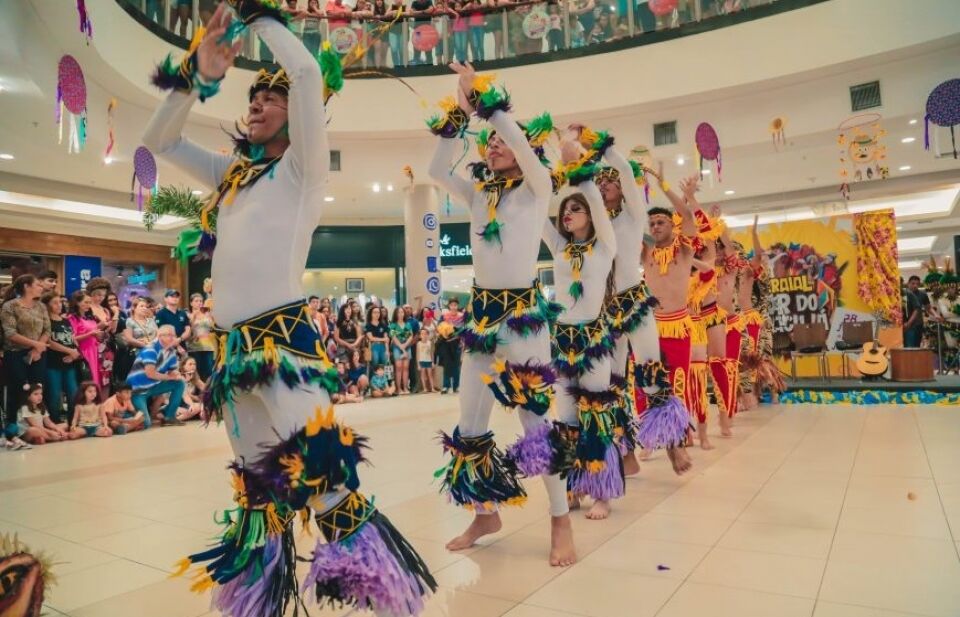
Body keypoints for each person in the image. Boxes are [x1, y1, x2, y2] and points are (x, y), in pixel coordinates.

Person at [143, 4, 433, 614]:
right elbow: (159, 140)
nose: (256, 104)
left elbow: (304, 74)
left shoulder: (301, 171)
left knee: (325, 483)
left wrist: (261, 21)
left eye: (267, 99)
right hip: (233, 356)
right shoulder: (230, 177)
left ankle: (395, 604)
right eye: (251, 97)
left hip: (288, 350)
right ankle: (258, 606)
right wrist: (199, 72)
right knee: (257, 496)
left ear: (296, 118)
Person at [428, 62, 576, 566]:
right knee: (470, 423)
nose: (491, 143)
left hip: (524, 320)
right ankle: (485, 511)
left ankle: (560, 519)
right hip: (480, 321)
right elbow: (435, 172)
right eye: (487, 140)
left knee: (535, 423)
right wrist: (459, 114)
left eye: (501, 139)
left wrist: (488, 102)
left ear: (526, 149)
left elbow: (512, 134)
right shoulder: (479, 193)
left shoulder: (538, 186)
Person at [576, 126, 688, 476]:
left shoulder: (633, 214)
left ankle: (674, 445)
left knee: (652, 373)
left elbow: (626, 170)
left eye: (611, 181)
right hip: (603, 310)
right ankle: (625, 454)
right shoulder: (594, 223)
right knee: (611, 385)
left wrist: (600, 147)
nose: (606, 184)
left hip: (633, 302)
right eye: (602, 181)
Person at [542, 138, 622, 520]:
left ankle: (603, 491)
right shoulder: (558, 246)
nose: (568, 213)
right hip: (561, 340)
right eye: (565, 210)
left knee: (597, 413)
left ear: (590, 215)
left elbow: (592, 197)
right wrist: (539, 164)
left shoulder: (604, 245)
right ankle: (574, 486)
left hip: (592, 337)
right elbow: (537, 209)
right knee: (568, 418)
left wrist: (577, 168)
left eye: (577, 209)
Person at [640, 174, 701, 474]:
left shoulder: (684, 249)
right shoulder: (646, 251)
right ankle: (652, 435)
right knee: (648, 382)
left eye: (661, 222)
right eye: (651, 224)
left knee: (677, 385)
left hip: (678, 325)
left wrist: (667, 186)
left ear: (670, 225)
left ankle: (678, 438)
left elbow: (688, 217)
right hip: (651, 326)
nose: (655, 227)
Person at [2, 275, 51, 427]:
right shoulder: (10, 306)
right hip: (15, 353)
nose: (41, 287)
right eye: (38, 284)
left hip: (37, 355)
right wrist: (35, 344)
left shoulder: (41, 306)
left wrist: (38, 349)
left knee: (37, 389)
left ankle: (36, 425)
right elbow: (10, 333)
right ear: (26, 286)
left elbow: (47, 330)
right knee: (18, 389)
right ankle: (12, 428)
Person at [127, 325, 184, 428]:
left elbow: (173, 371)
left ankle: (169, 417)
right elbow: (150, 373)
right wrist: (170, 377)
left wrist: (177, 374)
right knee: (146, 423)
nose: (172, 338)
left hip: (154, 386)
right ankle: (126, 415)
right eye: (169, 335)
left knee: (179, 383)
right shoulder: (151, 349)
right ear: (159, 336)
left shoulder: (171, 352)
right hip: (137, 390)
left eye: (173, 335)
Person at [41, 292, 81, 424]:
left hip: (69, 364)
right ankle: (55, 423)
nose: (59, 305)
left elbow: (73, 340)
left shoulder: (66, 320)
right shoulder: (45, 321)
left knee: (73, 394)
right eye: (55, 302)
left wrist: (73, 354)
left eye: (60, 302)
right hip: (53, 364)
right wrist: (68, 350)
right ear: (47, 305)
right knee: (54, 396)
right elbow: (49, 342)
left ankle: (72, 423)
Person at [85, 277, 119, 394]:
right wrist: (100, 325)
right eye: (97, 294)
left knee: (106, 379)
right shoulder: (87, 309)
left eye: (103, 295)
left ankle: (103, 409)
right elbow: (84, 329)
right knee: (93, 379)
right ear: (91, 293)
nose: (100, 298)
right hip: (92, 347)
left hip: (107, 348)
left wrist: (116, 314)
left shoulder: (105, 310)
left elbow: (112, 330)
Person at [66, 290, 104, 394]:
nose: (88, 305)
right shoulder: (72, 318)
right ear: (77, 302)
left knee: (95, 379)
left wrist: (98, 335)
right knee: (86, 380)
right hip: (83, 352)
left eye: (89, 302)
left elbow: (94, 334)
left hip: (94, 350)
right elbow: (72, 338)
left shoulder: (89, 317)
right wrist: (91, 334)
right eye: (85, 302)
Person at [187, 292, 217, 381]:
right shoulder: (189, 315)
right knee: (197, 371)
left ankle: (208, 392)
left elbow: (213, 328)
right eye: (196, 301)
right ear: (191, 303)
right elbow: (189, 332)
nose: (199, 303)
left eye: (201, 301)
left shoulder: (208, 315)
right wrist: (193, 318)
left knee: (209, 371)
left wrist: (210, 317)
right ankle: (197, 391)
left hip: (209, 346)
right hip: (195, 347)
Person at [155, 289, 192, 357]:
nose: (175, 298)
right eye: (172, 296)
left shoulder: (182, 313)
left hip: (183, 346)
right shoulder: (161, 314)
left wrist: (180, 339)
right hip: (167, 348)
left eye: (176, 297)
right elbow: (161, 332)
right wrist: (177, 345)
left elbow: (188, 330)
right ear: (165, 299)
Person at [390, 306, 414, 394]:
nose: (401, 314)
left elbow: (411, 336)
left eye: (402, 312)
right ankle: (398, 389)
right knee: (399, 368)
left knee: (406, 368)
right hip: (397, 347)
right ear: (396, 314)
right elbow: (393, 337)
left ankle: (405, 388)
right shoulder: (393, 325)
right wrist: (401, 347)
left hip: (407, 346)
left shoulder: (408, 324)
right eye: (399, 312)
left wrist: (405, 345)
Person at [175, 356, 206, 421]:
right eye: (190, 364)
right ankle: (174, 419)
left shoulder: (195, 378)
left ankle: (177, 417)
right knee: (196, 408)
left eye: (194, 364)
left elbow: (207, 390)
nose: (193, 366)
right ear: (183, 366)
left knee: (199, 406)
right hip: (173, 403)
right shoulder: (178, 377)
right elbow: (184, 395)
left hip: (186, 404)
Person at [434, 320, 461, 393]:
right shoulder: (442, 324)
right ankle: (446, 386)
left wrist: (454, 336)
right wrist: (442, 336)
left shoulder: (458, 323)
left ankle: (456, 386)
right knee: (446, 369)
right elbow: (437, 343)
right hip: (446, 351)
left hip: (455, 350)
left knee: (456, 369)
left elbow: (460, 336)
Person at [365, 304, 391, 369]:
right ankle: (375, 378)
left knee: (385, 361)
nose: (377, 314)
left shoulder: (383, 325)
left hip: (383, 346)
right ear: (371, 314)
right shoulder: (368, 325)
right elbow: (371, 338)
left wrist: (387, 351)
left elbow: (386, 339)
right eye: (375, 312)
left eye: (378, 312)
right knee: (375, 362)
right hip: (373, 346)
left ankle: (384, 378)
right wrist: (383, 339)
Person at [904, 275, 926, 348]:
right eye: (913, 283)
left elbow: (928, 307)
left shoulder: (922, 294)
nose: (915, 286)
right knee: (909, 346)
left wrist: (936, 315)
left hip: (918, 324)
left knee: (917, 346)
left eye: (917, 284)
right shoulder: (903, 294)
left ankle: (915, 359)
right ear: (908, 283)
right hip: (908, 325)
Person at [415, 328, 438, 392]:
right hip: (421, 361)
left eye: (425, 334)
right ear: (420, 336)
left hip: (429, 361)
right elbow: (417, 354)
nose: (424, 335)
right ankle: (425, 388)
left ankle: (432, 388)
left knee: (430, 375)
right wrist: (418, 364)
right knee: (423, 375)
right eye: (422, 334)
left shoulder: (429, 343)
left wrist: (433, 362)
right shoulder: (418, 344)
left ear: (428, 335)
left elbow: (432, 353)